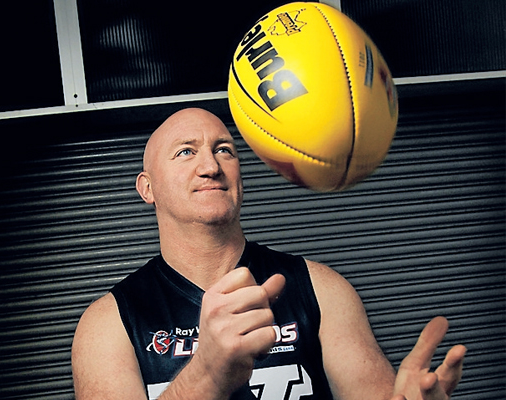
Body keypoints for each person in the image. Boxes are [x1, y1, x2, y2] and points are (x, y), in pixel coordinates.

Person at [71, 108, 466, 400]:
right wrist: (205, 377)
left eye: (224, 150)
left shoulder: (321, 289)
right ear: (147, 188)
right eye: (185, 152)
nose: (211, 166)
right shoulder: (108, 325)